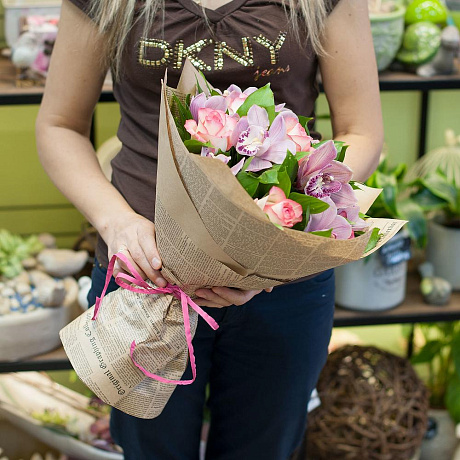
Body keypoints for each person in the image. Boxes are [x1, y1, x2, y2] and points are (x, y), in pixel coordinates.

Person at [36, 0, 383, 457]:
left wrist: (271, 242)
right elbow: (59, 125)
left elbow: (361, 131)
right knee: (151, 450)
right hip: (145, 279)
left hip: (282, 283)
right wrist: (116, 221)